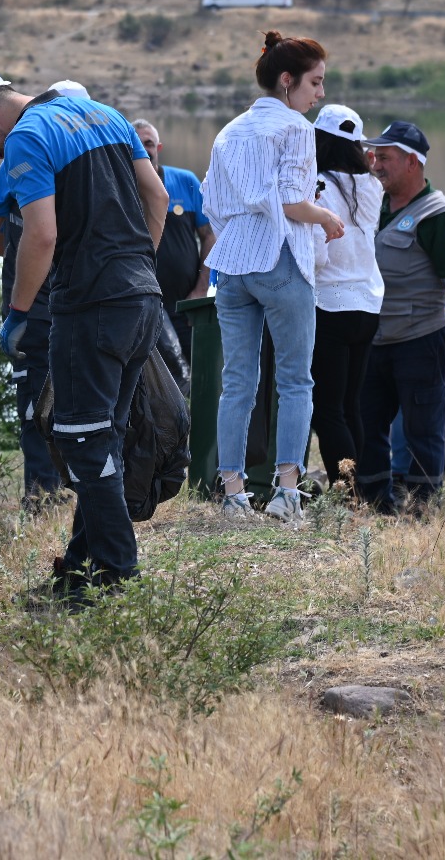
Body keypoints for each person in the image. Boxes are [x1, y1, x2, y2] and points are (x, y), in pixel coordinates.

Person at [0, 71, 167, 604]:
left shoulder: (27, 134)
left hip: (88, 303)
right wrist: (138, 268)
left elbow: (41, 235)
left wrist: (19, 311)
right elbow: (157, 198)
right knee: (102, 436)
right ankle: (78, 569)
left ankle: (118, 579)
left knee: (84, 442)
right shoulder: (106, 115)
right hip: (142, 296)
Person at [202, 31, 345, 522]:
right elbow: (289, 202)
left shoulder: (228, 131)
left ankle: (233, 495)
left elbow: (211, 204)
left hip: (233, 262)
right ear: (288, 81)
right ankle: (287, 494)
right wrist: (325, 218)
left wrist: (239, 233)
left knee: (236, 382)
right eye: (316, 82)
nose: (320, 94)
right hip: (280, 259)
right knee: (295, 381)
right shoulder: (295, 128)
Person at [0, 81, 93, 505]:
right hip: (52, 306)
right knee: (40, 406)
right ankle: (44, 497)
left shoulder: (39, 147)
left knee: (66, 407)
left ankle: (60, 496)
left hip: (58, 307)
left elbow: (43, 235)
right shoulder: (24, 155)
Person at [356, 120, 445, 515]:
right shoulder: (374, 206)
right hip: (376, 339)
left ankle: (423, 508)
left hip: (421, 339)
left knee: (424, 427)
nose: (376, 164)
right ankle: (376, 502)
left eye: (385, 157)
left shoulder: (440, 216)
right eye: (374, 155)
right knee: (368, 423)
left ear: (412, 162)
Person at [308, 104, 383, 490]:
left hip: (331, 303)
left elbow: (318, 250)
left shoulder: (317, 184)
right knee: (351, 404)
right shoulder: (372, 186)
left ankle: (347, 491)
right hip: (368, 303)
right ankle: (363, 489)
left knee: (327, 410)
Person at [134, 118, 215, 367]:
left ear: (158, 148)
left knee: (197, 368)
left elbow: (210, 236)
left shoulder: (185, 180)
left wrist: (201, 290)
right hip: (141, 305)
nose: (144, 148)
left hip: (185, 304)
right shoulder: (120, 187)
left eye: (149, 143)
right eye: (137, 144)